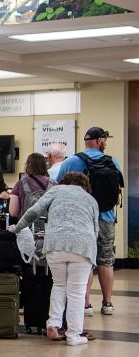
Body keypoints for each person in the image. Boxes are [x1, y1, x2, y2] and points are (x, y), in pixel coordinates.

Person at [9, 172, 99, 346]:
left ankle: (53, 323)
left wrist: (17, 228)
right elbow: (95, 231)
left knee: (58, 285)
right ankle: (73, 334)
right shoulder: (90, 199)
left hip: (55, 244)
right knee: (77, 292)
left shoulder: (55, 191)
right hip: (82, 247)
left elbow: (33, 212)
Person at [56, 127, 123, 317]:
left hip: (81, 220)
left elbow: (58, 187)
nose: (106, 142)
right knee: (106, 261)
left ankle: (85, 305)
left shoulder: (71, 161)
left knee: (85, 262)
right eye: (104, 139)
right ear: (98, 140)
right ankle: (107, 303)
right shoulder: (113, 162)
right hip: (107, 218)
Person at [9, 153, 54, 218]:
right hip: (49, 226)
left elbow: (13, 212)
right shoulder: (53, 183)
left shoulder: (21, 183)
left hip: (27, 226)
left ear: (27, 165)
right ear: (44, 165)